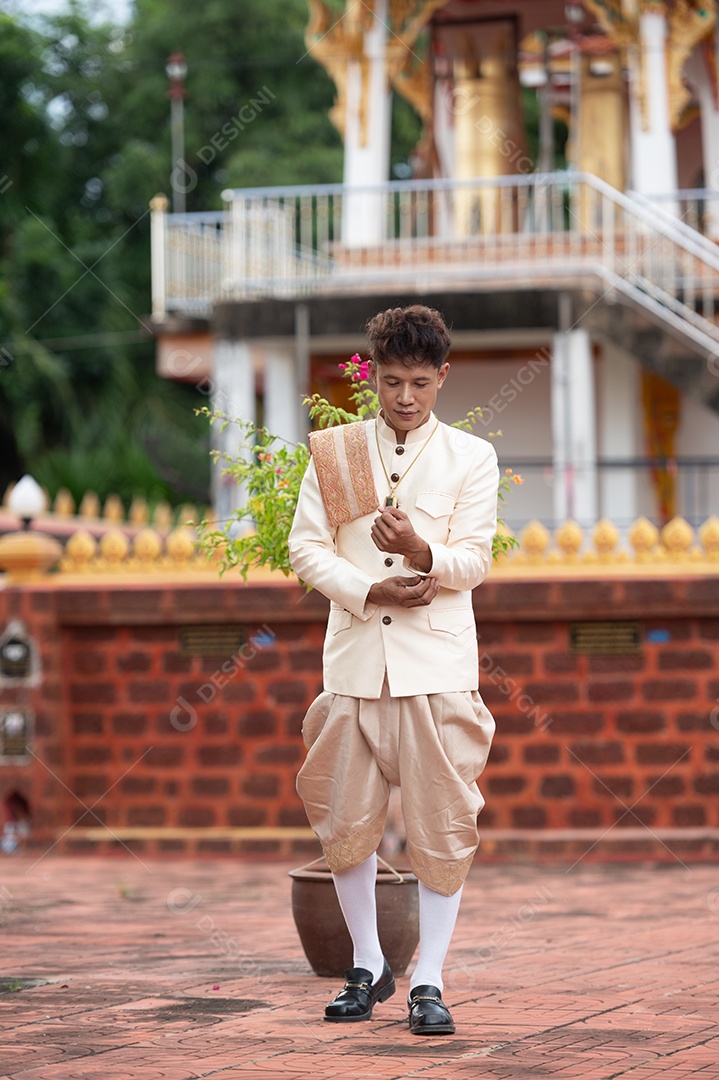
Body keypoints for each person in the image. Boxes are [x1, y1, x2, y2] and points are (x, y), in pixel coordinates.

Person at [288, 304, 499, 1036]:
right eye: (389, 382)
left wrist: (418, 554)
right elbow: (305, 549)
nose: (403, 398)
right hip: (352, 665)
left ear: (441, 377)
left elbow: (474, 558)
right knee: (345, 820)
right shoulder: (338, 451)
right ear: (370, 377)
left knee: (442, 825)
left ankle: (430, 980)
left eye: (417, 382)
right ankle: (368, 965)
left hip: (435, 669)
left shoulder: (470, 457)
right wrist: (366, 586)